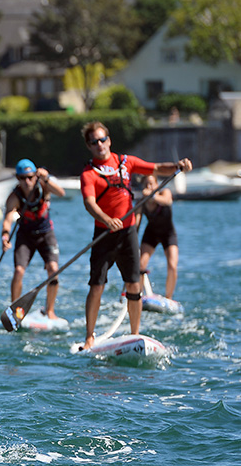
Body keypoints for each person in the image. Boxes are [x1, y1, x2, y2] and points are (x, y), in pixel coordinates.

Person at [79, 122, 191, 349]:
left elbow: (158, 168)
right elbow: (89, 203)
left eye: (102, 139)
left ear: (109, 140)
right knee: (96, 286)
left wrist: (178, 166)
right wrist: (105, 219)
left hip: (128, 233)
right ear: (89, 146)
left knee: (133, 285)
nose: (99, 145)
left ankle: (134, 334)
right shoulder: (88, 173)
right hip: (104, 234)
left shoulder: (126, 162)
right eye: (94, 142)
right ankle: (90, 336)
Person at [1, 158, 66, 319]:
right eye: (22, 178)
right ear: (18, 178)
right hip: (25, 236)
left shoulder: (44, 187)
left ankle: (50, 310)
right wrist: (5, 235)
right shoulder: (15, 197)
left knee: (53, 270)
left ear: (35, 177)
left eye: (30, 177)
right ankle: (15, 310)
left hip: (46, 234)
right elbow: (8, 218)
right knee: (18, 271)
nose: (27, 181)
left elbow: (61, 193)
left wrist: (46, 178)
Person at [138, 174, 179, 298]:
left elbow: (167, 201)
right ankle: (137, 296)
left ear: (157, 185)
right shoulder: (142, 202)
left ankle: (169, 297)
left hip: (168, 234)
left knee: (172, 265)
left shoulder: (164, 193)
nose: (149, 186)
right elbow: (136, 224)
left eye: (152, 183)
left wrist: (153, 196)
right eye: (146, 184)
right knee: (140, 266)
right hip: (151, 233)